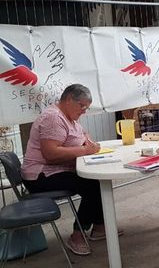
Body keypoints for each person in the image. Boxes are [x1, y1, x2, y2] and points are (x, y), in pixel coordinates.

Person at [21, 84, 105, 256]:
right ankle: (77, 235)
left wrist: (87, 142)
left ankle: (99, 227)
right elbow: (50, 153)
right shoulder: (53, 118)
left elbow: (83, 134)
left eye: (86, 108)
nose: (83, 111)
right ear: (68, 99)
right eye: (82, 106)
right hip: (40, 176)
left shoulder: (69, 116)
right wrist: (84, 150)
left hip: (55, 170)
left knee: (97, 181)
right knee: (92, 185)